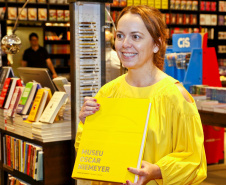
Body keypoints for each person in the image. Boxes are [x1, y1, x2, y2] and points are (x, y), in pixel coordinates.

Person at [76, 5, 207, 185]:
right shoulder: (107, 92)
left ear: (156, 44)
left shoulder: (175, 96)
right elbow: (89, 154)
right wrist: (88, 124)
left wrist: (158, 171)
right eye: (120, 36)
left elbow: (193, 159)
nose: (124, 44)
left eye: (135, 36)